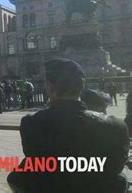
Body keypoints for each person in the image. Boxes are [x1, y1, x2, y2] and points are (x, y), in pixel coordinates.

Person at [7, 58, 129, 193]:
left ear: (50, 87)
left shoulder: (31, 123)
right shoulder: (116, 127)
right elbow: (115, 168)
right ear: (82, 86)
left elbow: (36, 164)